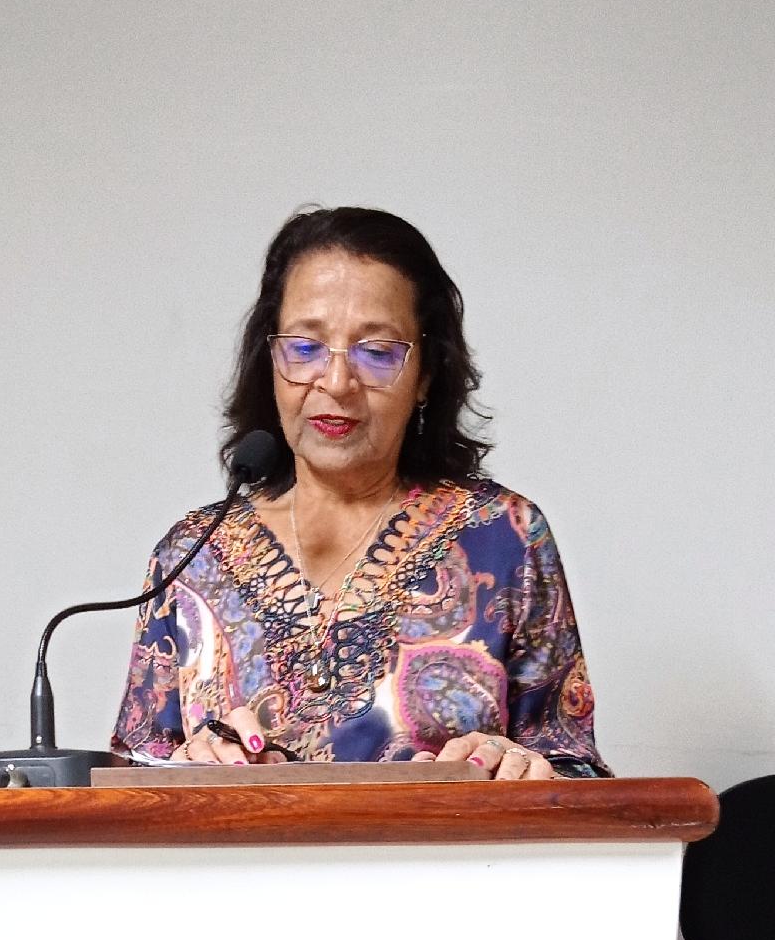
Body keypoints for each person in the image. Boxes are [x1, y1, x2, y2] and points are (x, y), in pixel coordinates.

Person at [111, 206, 609, 778]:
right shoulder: (191, 555)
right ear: (270, 360)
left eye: (376, 353)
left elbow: (577, 775)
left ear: (425, 376)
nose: (337, 382)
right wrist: (186, 766)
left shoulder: (507, 536)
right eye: (305, 347)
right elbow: (128, 783)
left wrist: (523, 770)